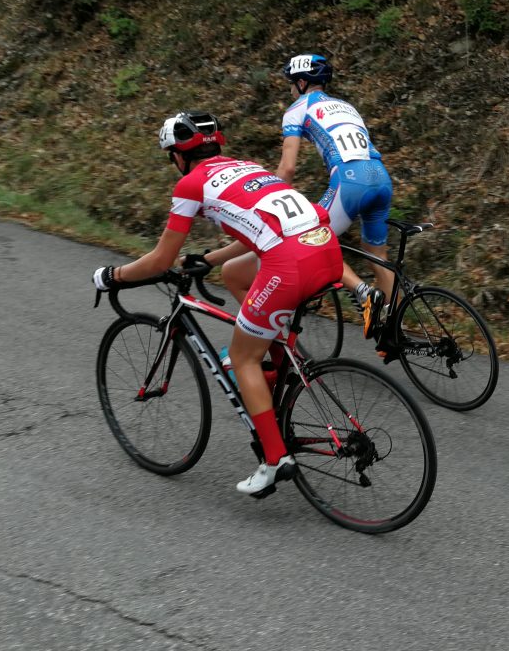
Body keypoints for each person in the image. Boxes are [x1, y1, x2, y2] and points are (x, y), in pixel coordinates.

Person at [91, 111, 343, 495]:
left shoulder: (191, 184)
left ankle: (275, 460)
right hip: (325, 249)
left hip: (288, 263)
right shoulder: (247, 167)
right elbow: (257, 229)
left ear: (178, 155)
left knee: (242, 358)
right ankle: (279, 373)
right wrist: (209, 260)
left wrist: (114, 276)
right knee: (245, 294)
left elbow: (161, 260)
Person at [221, 53, 394, 340]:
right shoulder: (347, 106)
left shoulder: (298, 109)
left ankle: (364, 293)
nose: (291, 89)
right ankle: (392, 329)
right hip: (381, 177)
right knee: (378, 255)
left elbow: (287, 167)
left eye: (292, 83)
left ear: (302, 83)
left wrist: (271, 200)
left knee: (314, 241)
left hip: (350, 181)